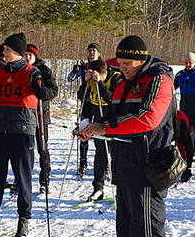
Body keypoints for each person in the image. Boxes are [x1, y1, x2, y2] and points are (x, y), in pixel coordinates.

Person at [78, 35, 174, 237]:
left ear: (142, 59)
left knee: (147, 231)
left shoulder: (158, 79)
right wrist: (92, 126)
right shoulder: (122, 82)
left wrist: (105, 128)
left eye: (128, 63)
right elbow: (114, 115)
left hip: (148, 167)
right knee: (128, 231)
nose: (124, 68)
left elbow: (148, 118)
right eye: (120, 63)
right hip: (124, 166)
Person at [0, 32, 51, 237]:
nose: (4, 52)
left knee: (23, 178)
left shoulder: (32, 72)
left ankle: (24, 220)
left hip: (22, 131)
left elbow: (47, 94)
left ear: (18, 53)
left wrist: (41, 89)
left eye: (8, 50)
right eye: (4, 49)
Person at [82, 59, 124, 201]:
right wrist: (85, 82)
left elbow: (113, 99)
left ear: (105, 73)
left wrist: (99, 83)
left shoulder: (117, 78)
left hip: (113, 119)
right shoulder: (90, 81)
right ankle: (98, 188)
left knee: (116, 155)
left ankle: (121, 191)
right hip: (98, 117)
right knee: (101, 154)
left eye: (98, 75)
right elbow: (81, 96)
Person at [23, 44, 59, 194]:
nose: (27, 58)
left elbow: (54, 90)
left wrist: (44, 92)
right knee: (23, 149)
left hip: (41, 113)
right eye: (25, 55)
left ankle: (45, 179)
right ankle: (21, 180)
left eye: (30, 55)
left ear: (35, 56)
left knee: (42, 148)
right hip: (25, 114)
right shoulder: (20, 69)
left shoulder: (44, 70)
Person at [67, 43, 104, 176]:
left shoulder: (102, 66)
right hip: (86, 103)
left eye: (94, 51)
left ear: (99, 53)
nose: (92, 53)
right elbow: (69, 79)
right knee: (83, 131)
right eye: (90, 51)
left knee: (101, 133)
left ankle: (104, 164)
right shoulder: (83, 67)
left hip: (99, 102)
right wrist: (75, 71)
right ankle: (83, 162)